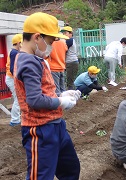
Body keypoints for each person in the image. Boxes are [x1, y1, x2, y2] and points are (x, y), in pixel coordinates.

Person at [13, 12, 81, 179]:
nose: (51, 47)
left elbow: (43, 91)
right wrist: (61, 101)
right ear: (37, 37)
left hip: (56, 125)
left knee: (71, 169)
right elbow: (34, 100)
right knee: (41, 176)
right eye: (50, 42)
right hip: (40, 129)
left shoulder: (36, 59)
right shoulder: (28, 61)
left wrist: (61, 94)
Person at [5, 33, 22, 126]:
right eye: (22, 43)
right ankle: (15, 120)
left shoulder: (14, 52)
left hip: (11, 78)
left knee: (19, 98)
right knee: (18, 98)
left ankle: (17, 118)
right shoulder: (15, 53)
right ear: (18, 43)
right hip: (11, 78)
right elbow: (13, 68)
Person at [61, 26, 79, 90]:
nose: (64, 35)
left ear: (71, 33)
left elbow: (63, 50)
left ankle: (71, 96)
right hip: (72, 62)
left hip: (71, 62)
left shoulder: (70, 40)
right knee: (70, 81)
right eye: (63, 33)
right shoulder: (71, 40)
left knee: (70, 83)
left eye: (65, 33)